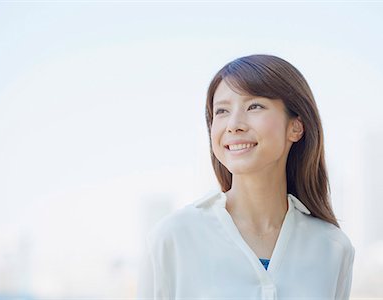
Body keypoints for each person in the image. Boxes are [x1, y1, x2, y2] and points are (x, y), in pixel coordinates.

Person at [136, 54, 355, 299]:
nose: (233, 124)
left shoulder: (333, 248)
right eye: (221, 111)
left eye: (254, 106)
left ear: (296, 127)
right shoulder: (173, 238)